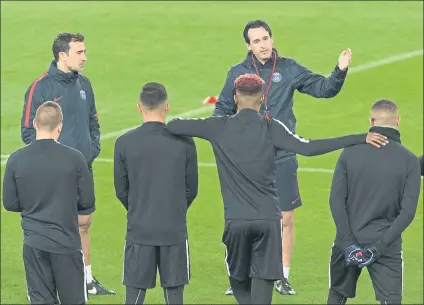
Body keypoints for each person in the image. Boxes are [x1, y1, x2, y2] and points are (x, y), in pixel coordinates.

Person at [166, 74, 387, 305]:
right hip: (268, 222)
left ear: (235, 98)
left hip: (237, 222)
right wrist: (359, 137)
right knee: (263, 287)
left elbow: (174, 125)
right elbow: (309, 148)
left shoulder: (217, 126)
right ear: (263, 98)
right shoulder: (272, 127)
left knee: (239, 283)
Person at [214, 20, 353, 296]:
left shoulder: (289, 69)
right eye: (256, 41)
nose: (263, 45)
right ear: (248, 45)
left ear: (272, 38)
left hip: (282, 156)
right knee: (244, 218)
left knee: (285, 217)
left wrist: (339, 71)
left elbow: (324, 89)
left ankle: (282, 275)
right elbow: (221, 109)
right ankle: (240, 274)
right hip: (248, 158)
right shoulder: (237, 73)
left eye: (266, 38)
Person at [19, 32, 115, 295]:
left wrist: (92, 149)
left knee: (83, 222)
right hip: (51, 173)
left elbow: (93, 122)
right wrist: (52, 160)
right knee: (53, 224)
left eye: (84, 51)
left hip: (83, 167)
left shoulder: (84, 84)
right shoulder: (40, 87)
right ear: (63, 55)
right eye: (79, 52)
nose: (85, 57)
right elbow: (28, 132)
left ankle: (87, 279)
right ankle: (47, 281)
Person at [327, 99, 422, 305]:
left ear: (371, 120)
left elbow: (335, 201)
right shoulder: (409, 161)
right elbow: (407, 213)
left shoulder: (349, 152)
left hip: (347, 241)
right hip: (386, 245)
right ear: (398, 121)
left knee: (337, 295)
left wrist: (348, 243)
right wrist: (378, 248)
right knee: (391, 301)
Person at [114, 82, 198, 304]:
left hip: (139, 228)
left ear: (139, 107)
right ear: (167, 107)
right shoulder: (185, 143)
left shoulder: (124, 143)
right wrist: (175, 207)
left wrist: (139, 207)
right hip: (174, 229)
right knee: (174, 294)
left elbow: (121, 190)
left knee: (135, 294)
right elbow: (192, 189)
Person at [3, 101, 95, 304]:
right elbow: (87, 200)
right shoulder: (74, 158)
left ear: (34, 124)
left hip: (34, 244)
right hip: (66, 244)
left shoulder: (16, 159)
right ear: (60, 126)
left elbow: (10, 203)